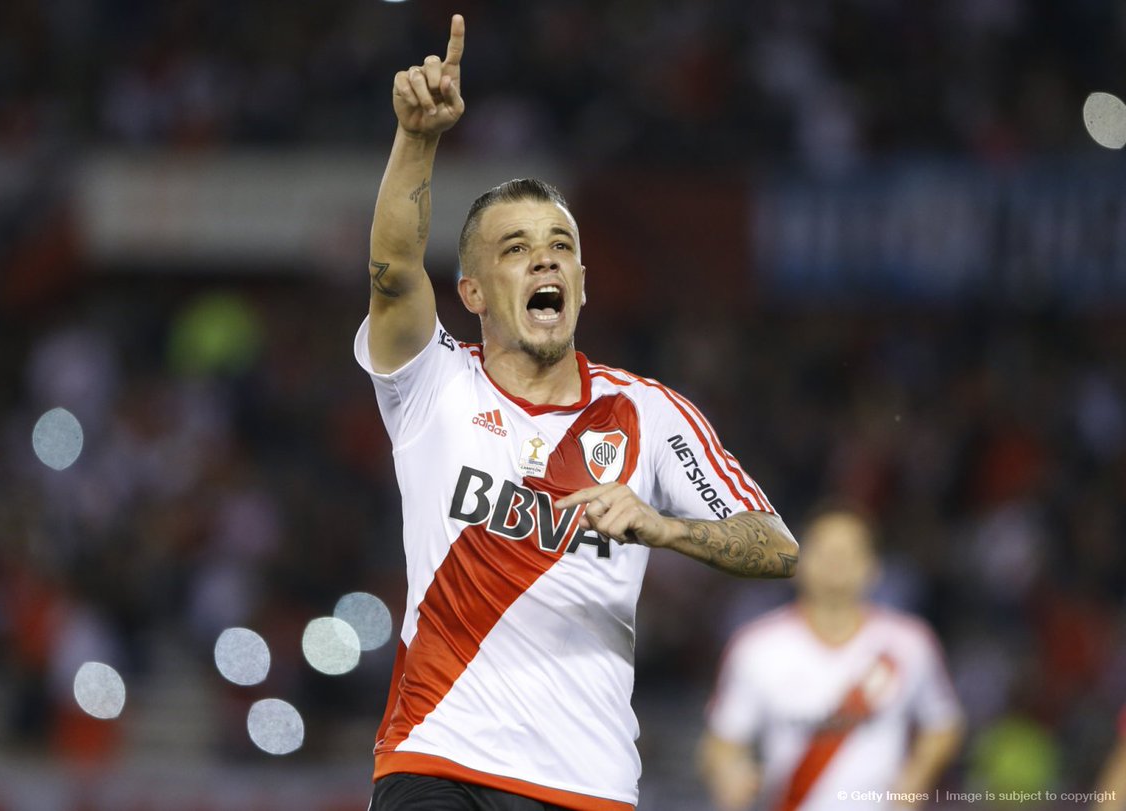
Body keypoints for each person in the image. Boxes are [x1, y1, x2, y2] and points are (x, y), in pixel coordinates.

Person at [354, 13, 799, 811]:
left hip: (584, 783)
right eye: (516, 248)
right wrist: (416, 139)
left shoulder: (649, 413)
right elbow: (392, 272)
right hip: (434, 755)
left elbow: (776, 545)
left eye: (560, 245)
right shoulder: (434, 383)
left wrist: (665, 528)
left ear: (583, 284)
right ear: (473, 292)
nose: (545, 259)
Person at [698, 507, 964, 811]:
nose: (836, 561)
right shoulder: (755, 647)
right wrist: (728, 772)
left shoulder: (911, 644)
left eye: (849, 552)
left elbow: (943, 723)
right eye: (824, 550)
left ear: (873, 567)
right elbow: (722, 739)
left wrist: (917, 774)